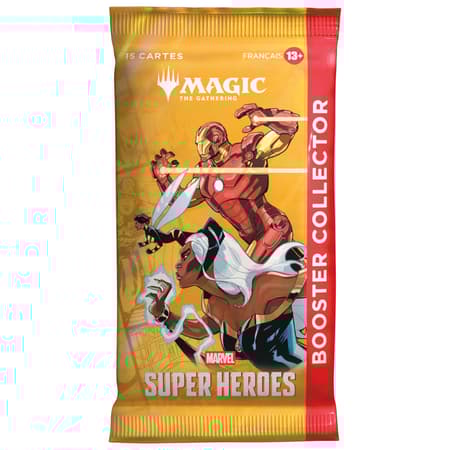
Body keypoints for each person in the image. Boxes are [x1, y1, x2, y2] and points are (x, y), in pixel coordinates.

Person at [147, 219, 306, 371]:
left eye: (185, 255)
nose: (177, 264)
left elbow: (311, 283)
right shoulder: (216, 305)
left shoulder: (264, 287)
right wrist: (162, 314)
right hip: (264, 385)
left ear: (208, 260)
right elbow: (200, 330)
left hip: (302, 374)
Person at [151, 103, 301, 263]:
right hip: (253, 241)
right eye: (198, 143)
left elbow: (287, 131)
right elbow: (179, 201)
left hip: (274, 226)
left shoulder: (246, 152)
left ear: (216, 138)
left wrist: (268, 116)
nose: (199, 147)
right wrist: (163, 179)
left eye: (201, 142)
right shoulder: (205, 177)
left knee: (245, 274)